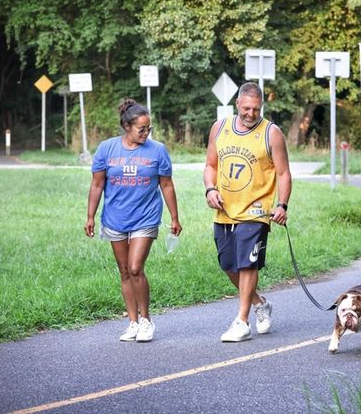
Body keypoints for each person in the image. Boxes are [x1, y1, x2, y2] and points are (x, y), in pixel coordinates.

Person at [85, 98, 182, 342]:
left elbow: (167, 185)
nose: (146, 133)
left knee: (136, 267)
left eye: (149, 128)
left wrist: (174, 217)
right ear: (127, 126)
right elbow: (97, 185)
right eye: (142, 129)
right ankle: (132, 322)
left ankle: (146, 320)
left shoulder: (157, 150)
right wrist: (90, 216)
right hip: (115, 218)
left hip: (145, 217)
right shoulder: (107, 149)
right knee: (124, 271)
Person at [204, 82, 292, 342]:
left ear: (261, 106)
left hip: (256, 211)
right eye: (246, 108)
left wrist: (282, 205)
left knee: (247, 264)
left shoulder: (271, 133)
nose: (251, 114)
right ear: (237, 105)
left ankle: (241, 321)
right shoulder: (220, 128)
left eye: (256, 109)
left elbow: (284, 173)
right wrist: (210, 189)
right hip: (225, 210)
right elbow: (210, 165)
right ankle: (259, 303)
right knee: (229, 265)